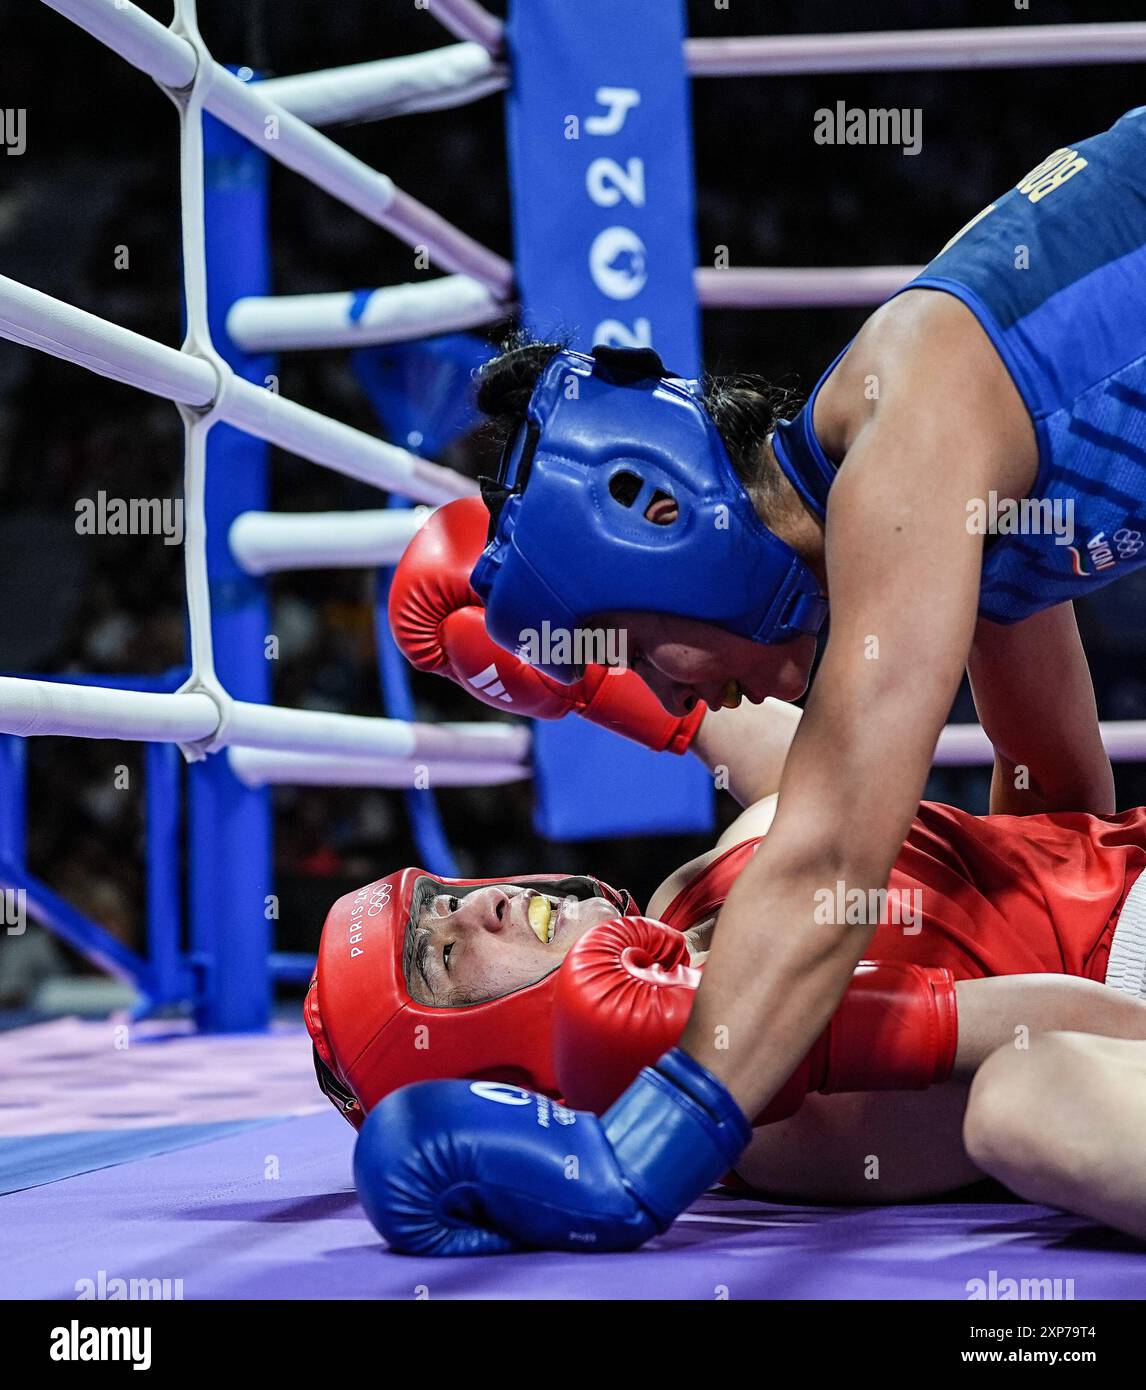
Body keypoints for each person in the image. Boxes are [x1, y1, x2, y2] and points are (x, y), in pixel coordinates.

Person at [363, 106, 1146, 1251]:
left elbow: (829, 844)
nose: (675, 697)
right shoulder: (921, 475)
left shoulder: (905, 445)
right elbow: (1056, 816)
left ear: (665, 522)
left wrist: (638, 1165)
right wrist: (586, 686)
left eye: (636, 650)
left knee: (1023, 1104)